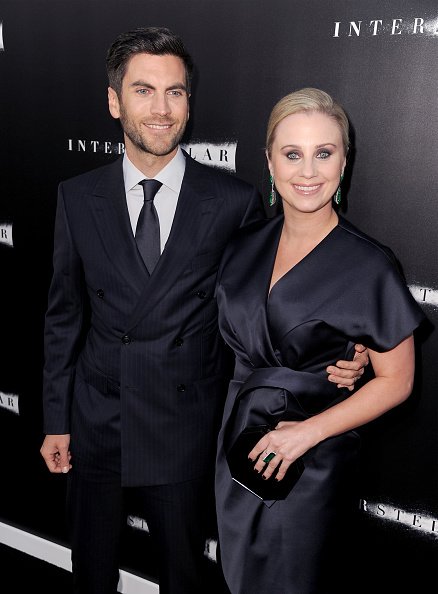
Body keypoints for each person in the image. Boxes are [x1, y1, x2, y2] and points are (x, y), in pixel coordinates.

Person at [39, 27, 367, 594]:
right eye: (144, 91)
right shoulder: (75, 195)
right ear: (115, 101)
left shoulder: (233, 201)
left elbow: (275, 301)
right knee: (89, 575)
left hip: (185, 428)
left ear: (190, 101)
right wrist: (55, 420)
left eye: (176, 92)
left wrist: (346, 349)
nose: (161, 109)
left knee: (184, 577)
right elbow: (64, 317)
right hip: (97, 424)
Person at [214, 88, 426, 594]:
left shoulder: (368, 264)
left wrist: (306, 434)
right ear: (268, 161)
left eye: (323, 154)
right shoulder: (245, 245)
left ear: (344, 163)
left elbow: (397, 381)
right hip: (239, 446)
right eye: (292, 154)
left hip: (312, 460)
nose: (307, 172)